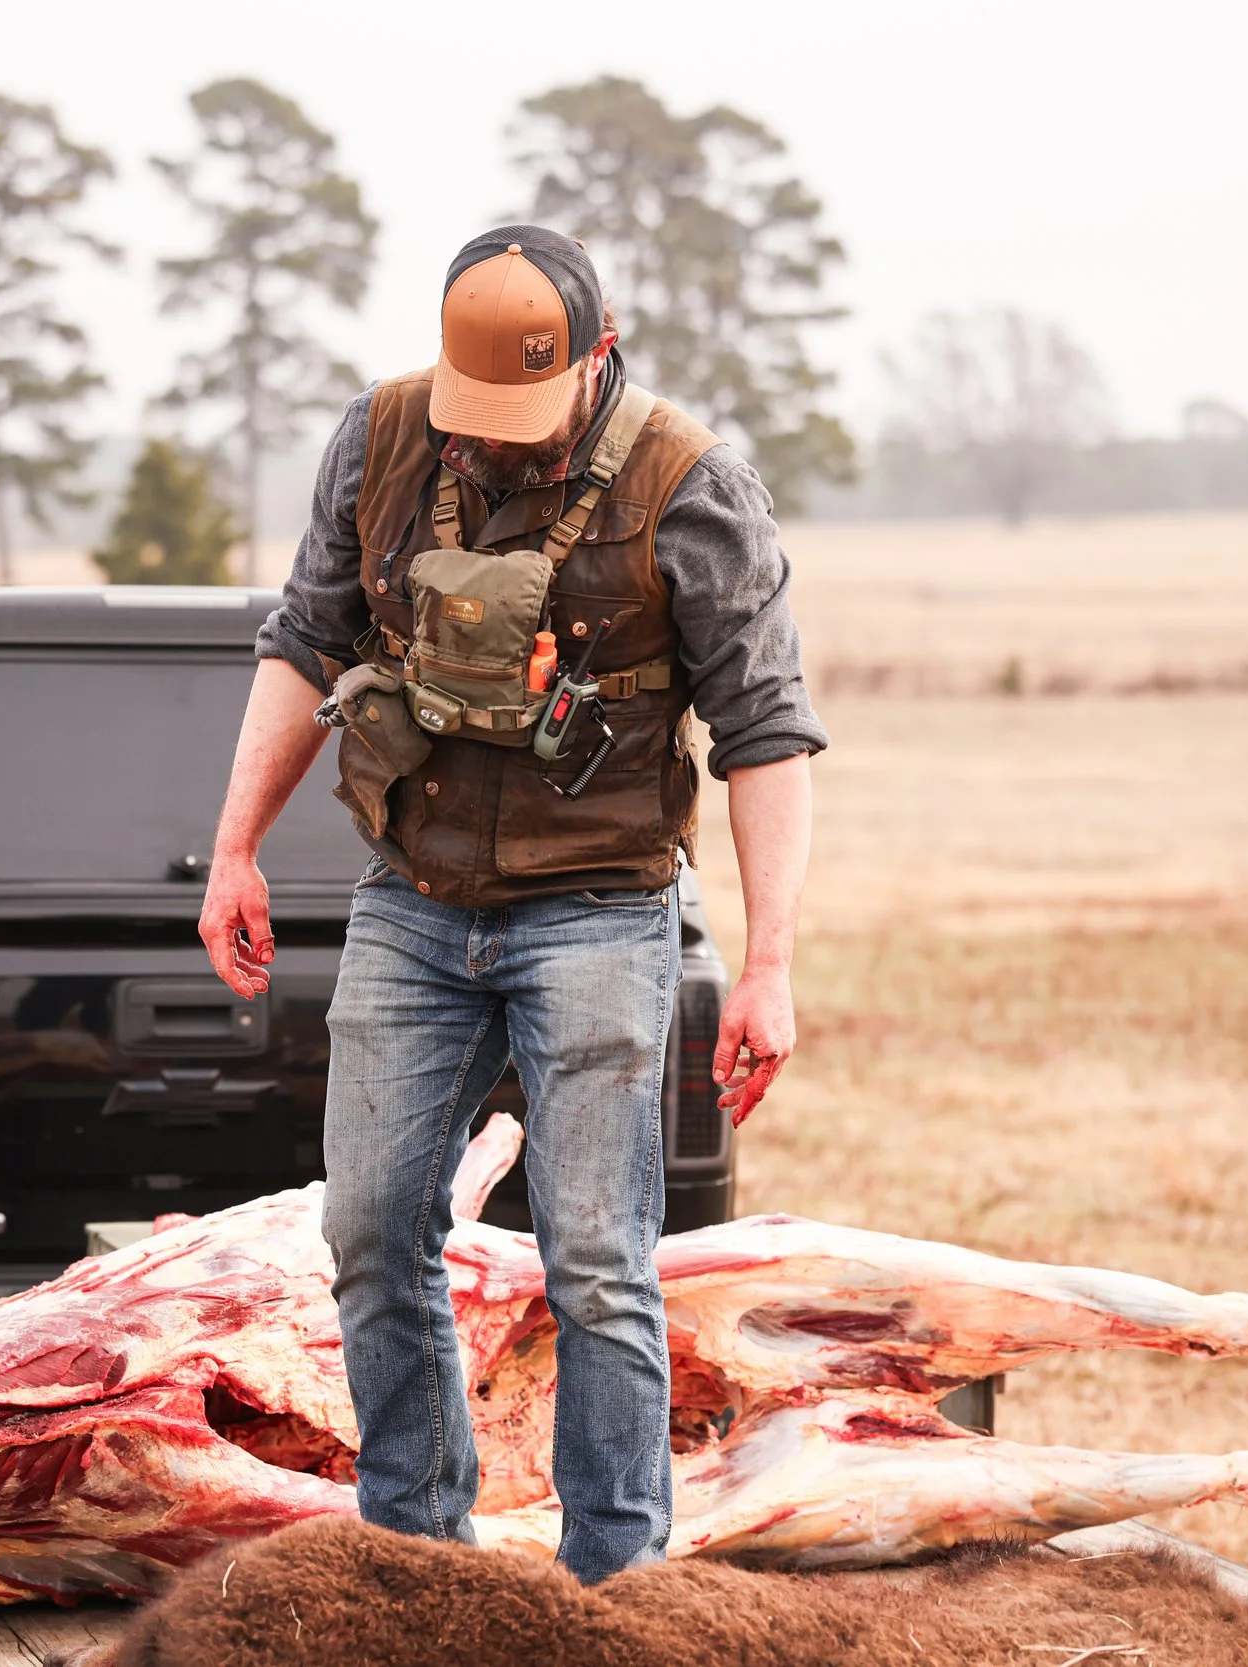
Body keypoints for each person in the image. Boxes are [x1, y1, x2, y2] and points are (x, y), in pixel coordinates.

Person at [199, 224, 825, 1584]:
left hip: (599, 908)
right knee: (371, 1230)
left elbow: (766, 731)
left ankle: (616, 1586)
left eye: (519, 415)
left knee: (597, 1258)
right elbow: (304, 640)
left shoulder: (692, 484)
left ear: (600, 357)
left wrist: (769, 964)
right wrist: (233, 845)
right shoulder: (381, 438)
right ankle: (419, 1560)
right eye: (471, 410)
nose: (490, 442)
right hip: (413, 900)